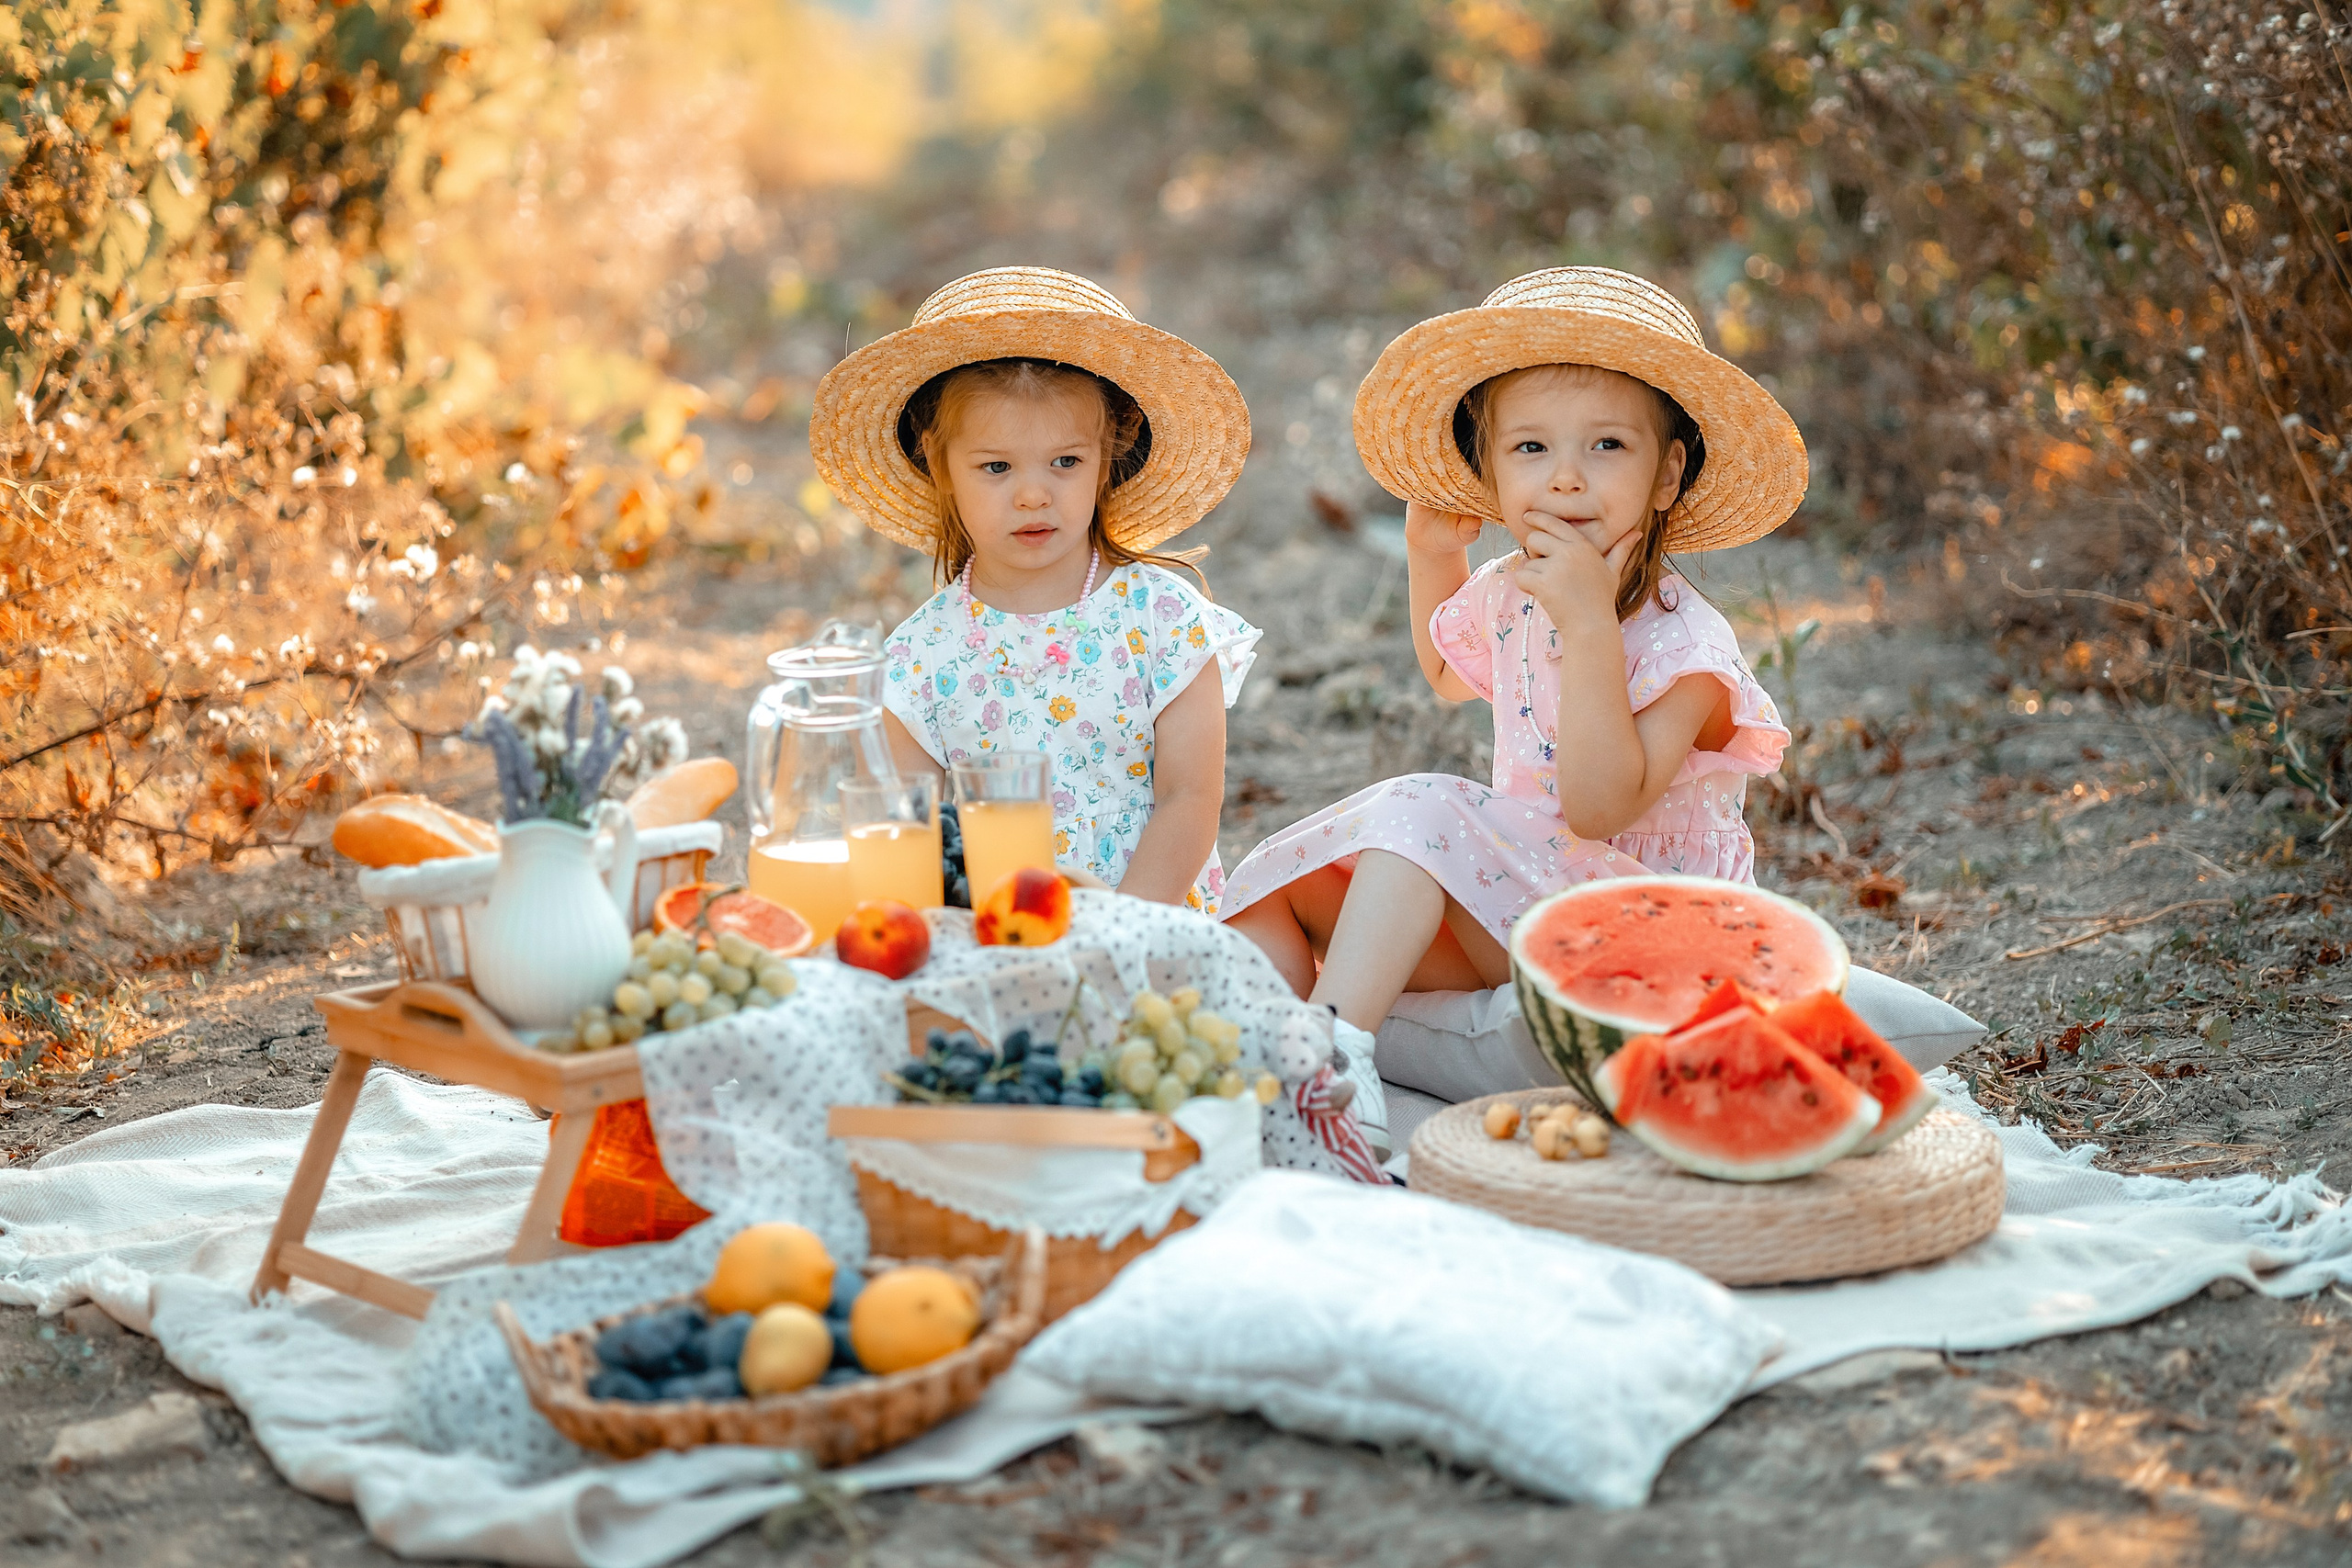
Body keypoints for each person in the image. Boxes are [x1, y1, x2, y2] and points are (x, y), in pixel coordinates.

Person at [1223, 265, 1806, 1050]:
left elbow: (1600, 809)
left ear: (1666, 474)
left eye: (1608, 444)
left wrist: (1592, 625)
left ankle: (1331, 1055)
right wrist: (1430, 554)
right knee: (1276, 885)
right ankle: (1276, 1074)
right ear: (1490, 476)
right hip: (1522, 901)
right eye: (1530, 446)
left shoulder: (1690, 652)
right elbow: (1443, 674)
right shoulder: (1512, 591)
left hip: (1648, 938)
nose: (1566, 475)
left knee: (1420, 809)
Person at [809, 267, 1259, 911]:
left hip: (1150, 928)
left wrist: (1121, 929)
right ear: (939, 465)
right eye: (996, 466)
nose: (1032, 493)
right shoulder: (915, 663)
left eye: (1066, 462)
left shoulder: (1163, 617)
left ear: (1108, 454)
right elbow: (913, 846)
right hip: (996, 938)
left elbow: (1190, 800)